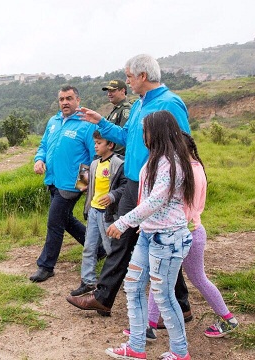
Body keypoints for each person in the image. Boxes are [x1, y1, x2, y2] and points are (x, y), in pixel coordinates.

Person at [66, 54, 192, 318]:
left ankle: (179, 304)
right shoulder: (138, 105)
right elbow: (125, 137)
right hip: (134, 182)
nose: (127, 81)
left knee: (159, 240)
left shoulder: (170, 103)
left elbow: (184, 145)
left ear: (143, 76)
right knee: (124, 238)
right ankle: (105, 297)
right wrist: (100, 121)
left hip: (156, 186)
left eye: (129, 76)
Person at [124, 132, 239, 341]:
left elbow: (184, 207)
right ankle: (149, 326)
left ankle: (227, 318)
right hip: (191, 231)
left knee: (183, 278)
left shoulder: (188, 172)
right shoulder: (196, 168)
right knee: (162, 278)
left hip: (184, 232)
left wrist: (160, 227)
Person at [105, 110, 195, 360]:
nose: (142, 136)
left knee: (164, 296)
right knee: (133, 285)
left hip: (166, 239)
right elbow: (149, 198)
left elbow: (156, 199)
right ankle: (136, 346)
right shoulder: (157, 158)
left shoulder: (171, 162)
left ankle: (180, 352)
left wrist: (124, 222)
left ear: (156, 132)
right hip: (149, 234)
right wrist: (140, 225)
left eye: (145, 131)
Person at [29, 85, 99, 282]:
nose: (65, 102)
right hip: (52, 179)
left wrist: (86, 183)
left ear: (78, 100)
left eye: (69, 98)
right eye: (62, 99)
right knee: (65, 219)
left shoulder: (86, 124)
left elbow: (94, 156)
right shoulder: (54, 121)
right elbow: (43, 146)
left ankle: (46, 266)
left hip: (71, 185)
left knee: (54, 222)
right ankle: (99, 249)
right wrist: (39, 160)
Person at [70, 131, 127, 296]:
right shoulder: (94, 162)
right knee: (89, 247)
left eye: (99, 143)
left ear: (110, 145)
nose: (95, 146)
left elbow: (125, 186)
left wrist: (112, 196)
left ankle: (119, 280)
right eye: (95, 142)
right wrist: (82, 184)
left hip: (108, 214)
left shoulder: (118, 163)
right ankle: (88, 281)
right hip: (94, 211)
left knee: (111, 248)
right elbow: (84, 180)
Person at [102, 79, 132, 155]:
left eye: (112, 91)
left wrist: (113, 156)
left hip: (119, 158)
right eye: (108, 91)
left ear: (122, 91)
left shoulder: (126, 109)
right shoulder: (116, 109)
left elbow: (123, 137)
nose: (109, 94)